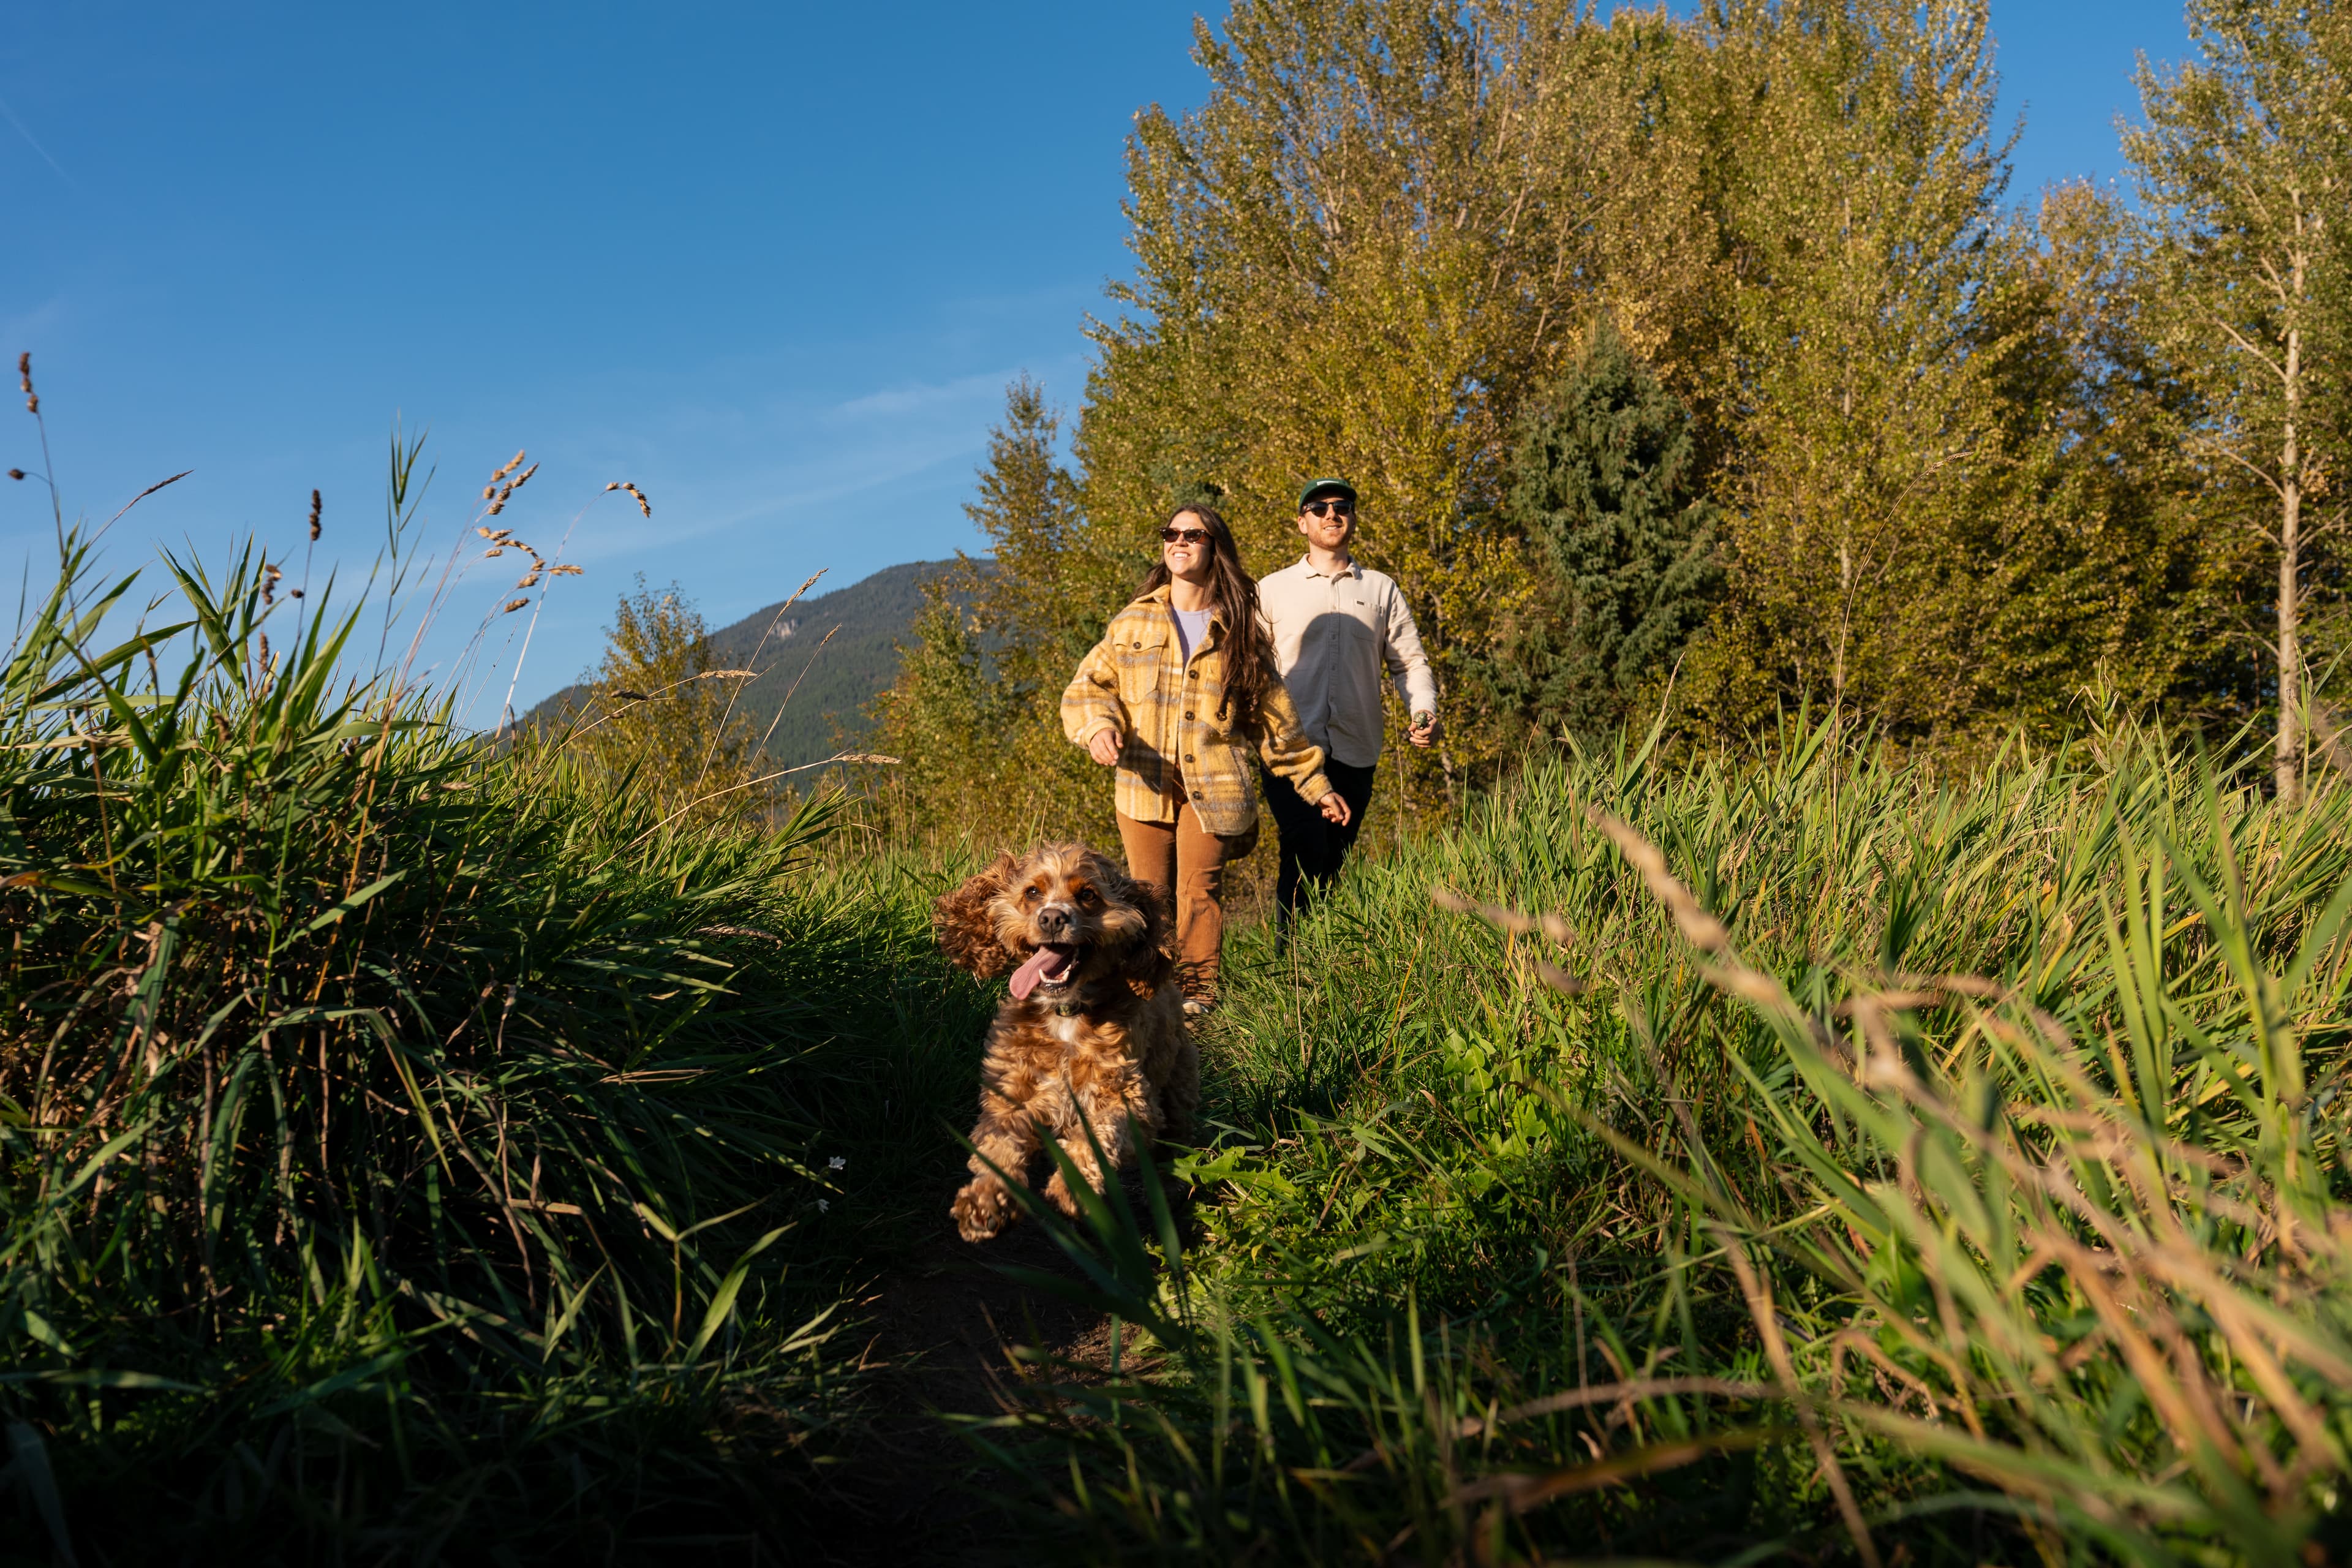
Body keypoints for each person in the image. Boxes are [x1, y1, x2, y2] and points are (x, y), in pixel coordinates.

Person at [1063, 503, 1351, 1012]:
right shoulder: (1135, 619)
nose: (1180, 541)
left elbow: (1276, 722)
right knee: (1148, 896)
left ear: (1214, 547)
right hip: (1143, 783)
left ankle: (1196, 1001)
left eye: (1193, 535)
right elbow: (1088, 687)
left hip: (1215, 787)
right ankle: (1147, 999)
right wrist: (1098, 728)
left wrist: (1316, 786)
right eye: (1171, 533)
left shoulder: (1240, 630)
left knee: (1200, 890)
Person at [1256, 478, 1438, 927]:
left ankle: (1322, 969)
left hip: (1357, 749)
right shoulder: (1272, 589)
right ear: (1302, 522)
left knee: (1333, 864)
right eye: (1319, 508)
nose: (1331, 514)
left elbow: (1410, 662)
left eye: (1342, 506)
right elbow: (1248, 668)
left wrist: (1424, 710)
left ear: (1353, 518)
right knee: (1302, 849)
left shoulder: (1381, 590)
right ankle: (1293, 971)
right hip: (1289, 750)